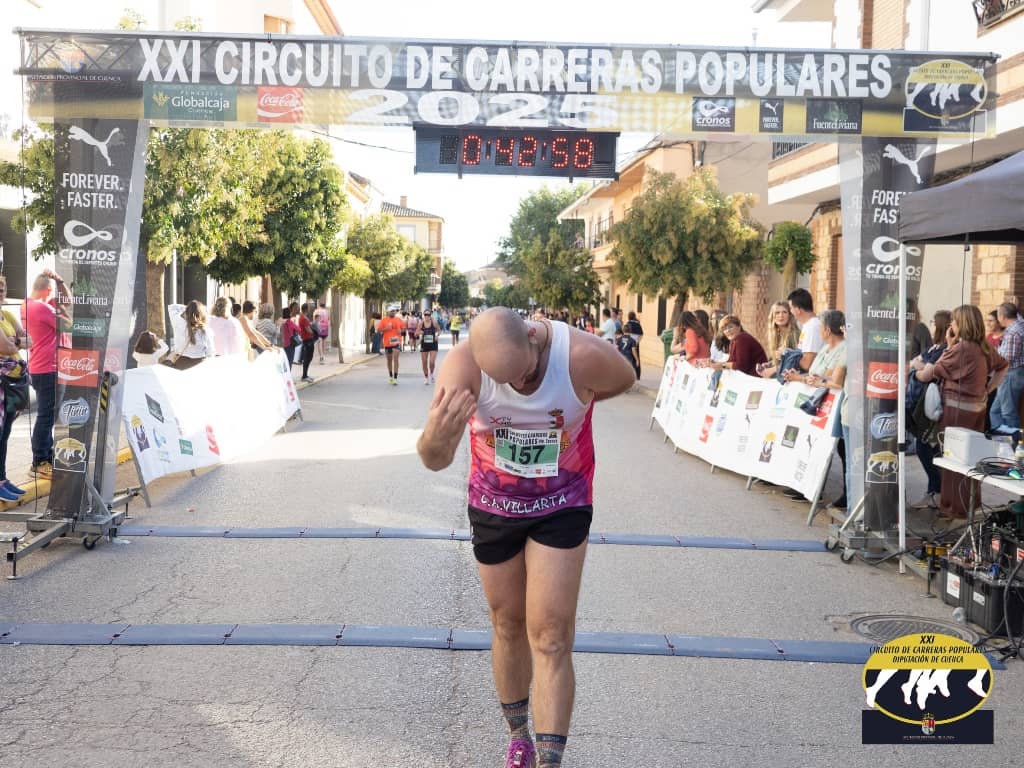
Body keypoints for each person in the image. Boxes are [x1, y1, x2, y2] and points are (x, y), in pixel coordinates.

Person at [416, 307, 635, 768]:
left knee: (551, 634)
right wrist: (435, 436)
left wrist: (578, 405)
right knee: (507, 623)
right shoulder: (462, 366)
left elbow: (624, 378)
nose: (519, 385)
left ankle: (550, 761)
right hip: (495, 504)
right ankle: (519, 737)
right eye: (506, 381)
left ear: (534, 337)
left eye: (526, 374)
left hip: (562, 500)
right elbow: (434, 460)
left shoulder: (578, 355)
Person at [914, 305, 1007, 519]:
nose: (951, 325)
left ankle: (952, 508)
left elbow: (933, 371)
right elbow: (1003, 366)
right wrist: (988, 388)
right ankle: (967, 505)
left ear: (961, 324)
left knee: (954, 461)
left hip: (957, 413)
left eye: (954, 321)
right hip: (977, 410)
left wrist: (917, 372)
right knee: (970, 460)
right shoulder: (984, 347)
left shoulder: (961, 349)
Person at [789, 310, 848, 508]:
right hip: (818, 403)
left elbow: (830, 377)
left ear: (828, 329)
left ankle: (847, 492)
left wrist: (812, 379)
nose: (819, 331)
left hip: (835, 405)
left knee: (840, 448)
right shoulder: (825, 348)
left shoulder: (844, 348)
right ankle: (808, 485)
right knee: (813, 443)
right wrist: (801, 377)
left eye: (821, 327)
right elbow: (814, 374)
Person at [22, 269, 70, 479]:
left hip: (42, 367)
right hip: (48, 368)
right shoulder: (41, 308)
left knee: (48, 414)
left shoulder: (29, 305)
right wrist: (60, 285)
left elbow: (66, 301)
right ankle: (39, 461)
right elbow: (68, 323)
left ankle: (46, 456)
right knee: (46, 415)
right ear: (48, 290)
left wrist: (59, 282)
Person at [907, 310, 952, 510]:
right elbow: (915, 363)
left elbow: (926, 373)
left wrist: (918, 369)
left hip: (931, 404)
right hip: (919, 401)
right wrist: (919, 366)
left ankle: (937, 491)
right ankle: (934, 490)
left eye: (933, 321)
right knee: (928, 446)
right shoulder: (935, 347)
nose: (930, 324)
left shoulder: (944, 349)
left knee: (925, 446)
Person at [989, 302, 1024, 436]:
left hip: (1009, 375)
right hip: (1013, 374)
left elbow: (1006, 359)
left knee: (1008, 413)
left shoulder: (1012, 333)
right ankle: (1001, 440)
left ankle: (1013, 443)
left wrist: (993, 355)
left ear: (1002, 317)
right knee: (995, 411)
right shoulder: (1019, 324)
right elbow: (1019, 317)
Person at [760, 301, 801, 379]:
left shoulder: (794, 335)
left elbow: (795, 362)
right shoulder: (776, 335)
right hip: (780, 378)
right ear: (773, 316)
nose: (781, 315)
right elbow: (781, 359)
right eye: (777, 313)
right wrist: (770, 364)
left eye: (784, 312)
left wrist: (773, 369)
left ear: (789, 315)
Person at [787, 288, 823, 373]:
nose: (790, 311)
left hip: (811, 377)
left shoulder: (812, 327)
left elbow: (807, 364)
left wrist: (787, 355)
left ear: (797, 310)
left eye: (791, 308)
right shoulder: (809, 325)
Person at [176, 300, 216, 366]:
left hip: (181, 364)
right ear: (202, 314)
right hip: (199, 364)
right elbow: (210, 352)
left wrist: (189, 309)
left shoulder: (179, 327)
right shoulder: (206, 331)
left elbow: (173, 308)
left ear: (186, 313)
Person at [291, 301, 318, 383]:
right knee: (308, 358)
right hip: (308, 339)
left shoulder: (303, 317)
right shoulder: (303, 318)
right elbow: (308, 329)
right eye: (309, 308)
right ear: (307, 309)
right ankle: (304, 376)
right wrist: (314, 332)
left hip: (307, 339)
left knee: (308, 357)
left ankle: (305, 375)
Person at [377, 307, 405, 384]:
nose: (393, 312)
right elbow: (378, 330)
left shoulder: (398, 319)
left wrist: (401, 331)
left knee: (396, 359)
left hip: (396, 342)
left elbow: (404, 328)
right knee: (389, 360)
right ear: (388, 312)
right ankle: (390, 376)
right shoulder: (384, 320)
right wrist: (386, 328)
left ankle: (395, 378)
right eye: (391, 311)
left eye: (394, 311)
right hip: (387, 342)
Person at [418, 310, 440, 384]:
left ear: (430, 315)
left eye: (428, 315)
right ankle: (426, 377)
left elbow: (439, 330)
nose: (427, 316)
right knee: (424, 362)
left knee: (432, 362)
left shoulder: (434, 323)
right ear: (423, 315)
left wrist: (437, 335)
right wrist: (420, 332)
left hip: (433, 344)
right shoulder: (421, 323)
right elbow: (416, 333)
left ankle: (432, 374)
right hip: (424, 344)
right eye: (425, 315)